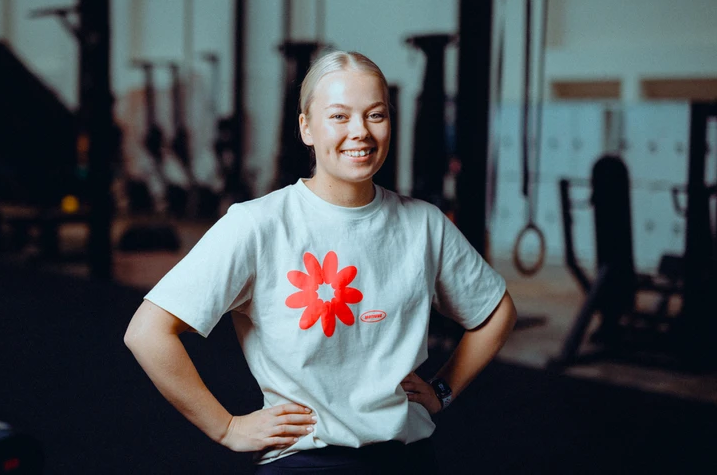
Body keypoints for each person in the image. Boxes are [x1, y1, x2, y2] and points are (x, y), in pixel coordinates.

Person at [124, 50, 517, 474]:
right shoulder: (258, 224)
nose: (360, 132)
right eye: (339, 116)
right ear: (306, 128)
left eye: (376, 115)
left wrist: (442, 389)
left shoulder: (424, 224)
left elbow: (496, 311)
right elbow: (147, 333)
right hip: (305, 462)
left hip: (407, 459)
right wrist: (226, 428)